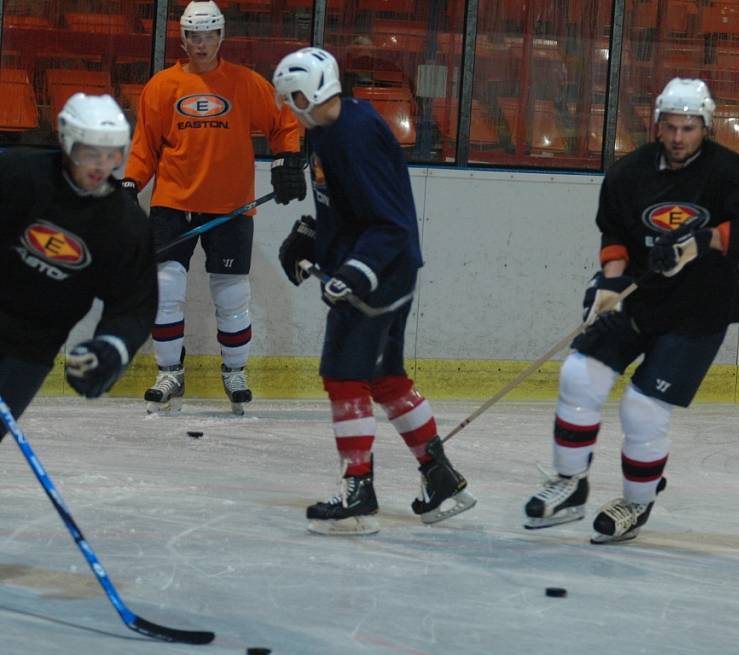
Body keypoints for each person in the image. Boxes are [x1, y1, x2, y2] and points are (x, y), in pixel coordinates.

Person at [523, 78, 739, 544]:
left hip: (698, 314)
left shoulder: (729, 172)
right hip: (638, 302)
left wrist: (703, 242)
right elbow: (615, 234)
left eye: (689, 127)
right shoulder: (629, 172)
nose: (679, 137)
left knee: (642, 408)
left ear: (705, 126)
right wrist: (610, 281)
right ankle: (570, 484)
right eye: (671, 126)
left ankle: (636, 502)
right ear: (656, 123)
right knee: (578, 376)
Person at [273, 47, 476, 535]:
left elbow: (390, 222)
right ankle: (440, 476)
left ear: (320, 87)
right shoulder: (328, 129)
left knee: (344, 376)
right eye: (287, 98)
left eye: (296, 95)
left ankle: (358, 492)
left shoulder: (354, 135)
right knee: (385, 378)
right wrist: (311, 236)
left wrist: (357, 271)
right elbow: (348, 206)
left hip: (380, 273)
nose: (292, 105)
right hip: (388, 268)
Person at [123, 0, 305, 415]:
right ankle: (170, 371)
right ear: (183, 38)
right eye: (193, 35)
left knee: (231, 295)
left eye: (208, 35)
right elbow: (145, 147)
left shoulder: (244, 83)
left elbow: (284, 123)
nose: (200, 44)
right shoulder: (161, 87)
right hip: (173, 202)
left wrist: (287, 161)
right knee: (166, 291)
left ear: (221, 36)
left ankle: (235, 371)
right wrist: (130, 183)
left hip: (229, 206)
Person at [0, 92, 157, 436]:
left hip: (33, 346)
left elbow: (133, 306)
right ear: (68, 143)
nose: (101, 166)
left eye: (111, 155)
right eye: (90, 154)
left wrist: (111, 349)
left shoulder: (124, 224)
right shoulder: (18, 175)